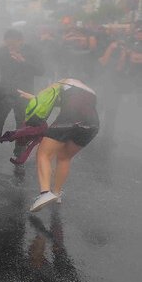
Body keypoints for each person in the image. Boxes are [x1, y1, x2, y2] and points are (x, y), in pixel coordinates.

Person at [15, 79, 99, 212]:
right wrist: (35, 97)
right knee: (64, 157)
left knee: (43, 153)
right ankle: (57, 193)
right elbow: (64, 102)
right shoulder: (90, 93)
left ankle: (45, 193)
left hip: (70, 118)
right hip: (93, 124)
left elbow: (46, 98)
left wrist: (34, 102)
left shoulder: (64, 81)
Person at [0, 29, 45, 165]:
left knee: (22, 125)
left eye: (14, 44)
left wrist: (23, 60)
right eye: (8, 44)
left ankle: (19, 154)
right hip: (4, 93)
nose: (10, 46)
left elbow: (41, 71)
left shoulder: (31, 52)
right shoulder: (1, 51)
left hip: (24, 94)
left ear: (21, 41)